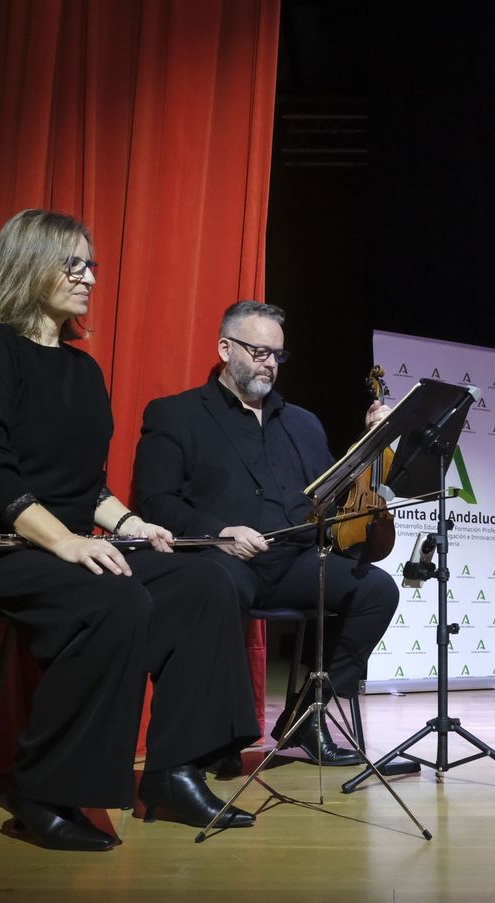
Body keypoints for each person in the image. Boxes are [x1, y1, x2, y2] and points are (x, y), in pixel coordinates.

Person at [0, 210, 260, 851]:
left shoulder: (83, 371)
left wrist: (134, 525)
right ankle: (43, 788)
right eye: (72, 263)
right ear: (27, 265)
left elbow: (85, 487)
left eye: (91, 265)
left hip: (58, 540)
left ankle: (175, 773)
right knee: (114, 595)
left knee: (204, 581)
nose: (87, 277)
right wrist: (67, 541)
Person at [132, 300, 399, 767]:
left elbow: (328, 498)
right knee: (216, 587)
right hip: (221, 560)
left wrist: (369, 447)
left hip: (293, 561)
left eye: (277, 354)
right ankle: (215, 741)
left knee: (376, 590)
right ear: (224, 348)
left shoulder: (302, 422)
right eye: (259, 352)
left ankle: (308, 714)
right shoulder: (175, 415)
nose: (271, 364)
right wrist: (219, 533)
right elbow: (155, 502)